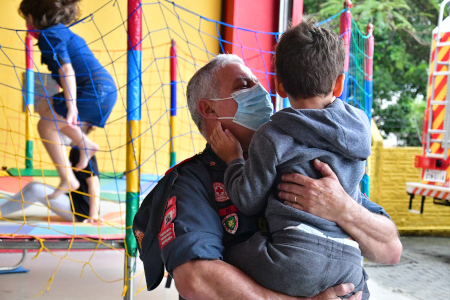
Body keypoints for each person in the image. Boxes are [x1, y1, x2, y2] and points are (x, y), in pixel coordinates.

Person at [133, 54, 402, 300]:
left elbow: (390, 249)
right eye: (243, 86)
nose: (261, 93)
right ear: (210, 110)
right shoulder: (191, 181)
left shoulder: (302, 157)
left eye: (258, 83)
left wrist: (344, 210)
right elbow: (196, 279)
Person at [209, 20, 371, 298]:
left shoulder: (272, 135)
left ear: (279, 86)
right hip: (350, 264)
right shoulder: (360, 128)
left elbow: (248, 200)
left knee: (226, 257)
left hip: (293, 260)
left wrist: (234, 159)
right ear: (339, 83)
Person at [18, 0, 117, 198]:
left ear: (31, 18)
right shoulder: (63, 32)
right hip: (105, 88)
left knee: (45, 126)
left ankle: (68, 178)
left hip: (93, 90)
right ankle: (84, 144)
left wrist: (71, 107)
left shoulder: (49, 36)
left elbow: (66, 70)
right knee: (44, 105)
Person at [0, 130, 101, 223]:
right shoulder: (75, 150)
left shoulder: (82, 151)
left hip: (82, 211)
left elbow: (94, 183)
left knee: (36, 190)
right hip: (74, 201)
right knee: (35, 184)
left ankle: (1, 211)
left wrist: (93, 214)